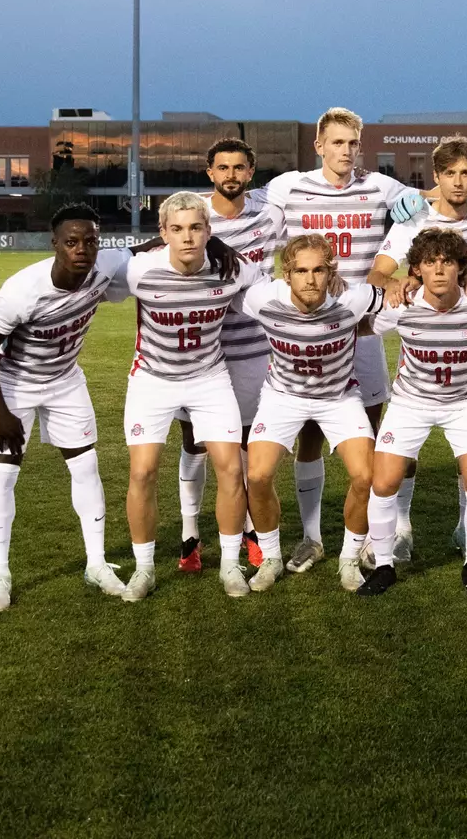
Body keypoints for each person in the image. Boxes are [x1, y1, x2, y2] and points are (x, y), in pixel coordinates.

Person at [259, 108, 427, 575]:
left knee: (370, 439)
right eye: (336, 143)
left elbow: (422, 211)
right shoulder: (288, 185)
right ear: (319, 146)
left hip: (364, 324)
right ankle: (311, 538)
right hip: (310, 324)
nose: (346, 152)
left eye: (353, 143)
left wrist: (387, 269)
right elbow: (242, 208)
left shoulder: (381, 186)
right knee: (308, 435)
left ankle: (378, 536)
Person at [0, 204, 134, 611]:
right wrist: (2, 410)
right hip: (14, 385)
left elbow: (150, 247)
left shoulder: (106, 264)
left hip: (64, 382)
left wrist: (212, 242)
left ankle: (96, 565)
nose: (82, 249)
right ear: (55, 244)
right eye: (72, 242)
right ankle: (0, 574)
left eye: (90, 241)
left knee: (86, 466)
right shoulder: (24, 289)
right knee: (4, 474)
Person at [367, 136, 467, 559]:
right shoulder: (415, 220)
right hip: (424, 331)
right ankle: (402, 527)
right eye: (450, 174)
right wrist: (395, 281)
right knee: (403, 454)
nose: (458, 182)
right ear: (437, 177)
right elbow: (378, 273)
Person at [120, 191, 263, 602]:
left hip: (209, 377)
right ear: (162, 233)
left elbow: (275, 291)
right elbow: (89, 277)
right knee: (143, 472)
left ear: (208, 232)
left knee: (232, 469)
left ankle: (230, 566)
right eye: (177, 229)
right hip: (152, 379)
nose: (187, 237)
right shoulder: (138, 270)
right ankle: (144, 569)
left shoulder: (232, 269)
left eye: (196, 228)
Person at [359, 228, 467, 601]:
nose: (439, 270)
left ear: (461, 268)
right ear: (417, 270)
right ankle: (384, 566)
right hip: (410, 403)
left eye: (447, 262)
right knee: (383, 482)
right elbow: (360, 326)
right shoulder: (400, 305)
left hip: (466, 404)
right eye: (429, 262)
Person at [237, 233, 385, 593]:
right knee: (256, 476)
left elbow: (395, 292)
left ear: (330, 271)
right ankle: (271, 557)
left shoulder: (354, 297)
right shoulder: (261, 298)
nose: (311, 279)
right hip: (282, 396)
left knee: (366, 477)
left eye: (319, 270)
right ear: (286, 274)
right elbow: (228, 280)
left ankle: (348, 559)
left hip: (338, 396)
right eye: (301, 271)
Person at [173, 138, 285, 574]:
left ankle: (253, 534)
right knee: (194, 444)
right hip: (203, 352)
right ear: (209, 172)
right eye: (223, 168)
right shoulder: (194, 216)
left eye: (239, 168)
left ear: (250, 172)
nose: (231, 175)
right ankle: (189, 535)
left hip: (255, 349)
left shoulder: (269, 212)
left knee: (244, 445)